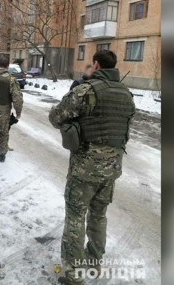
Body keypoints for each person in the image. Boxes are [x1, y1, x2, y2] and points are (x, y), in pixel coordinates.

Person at [48, 50, 136, 285]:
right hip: (112, 168)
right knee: (99, 215)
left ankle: (74, 274)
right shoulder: (127, 94)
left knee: (76, 216)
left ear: (96, 65)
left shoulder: (86, 90)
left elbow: (56, 116)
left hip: (85, 168)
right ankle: (94, 262)